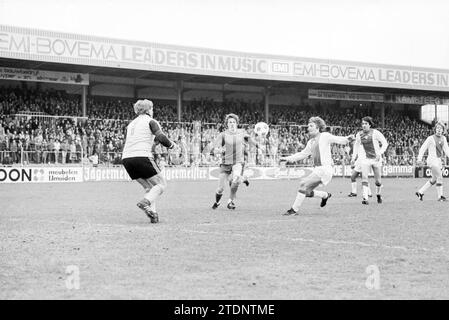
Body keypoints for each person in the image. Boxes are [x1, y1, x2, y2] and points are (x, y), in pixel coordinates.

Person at [280, 116, 354, 215]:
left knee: (303, 185)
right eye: (308, 126)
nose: (308, 128)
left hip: (325, 169)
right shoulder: (310, 142)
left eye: (311, 126)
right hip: (317, 170)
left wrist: (347, 138)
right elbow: (302, 154)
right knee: (306, 192)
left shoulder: (324, 136)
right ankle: (324, 195)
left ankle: (294, 210)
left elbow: (338, 139)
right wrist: (287, 158)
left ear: (317, 127)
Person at [121, 99, 175, 223]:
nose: (153, 110)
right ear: (148, 109)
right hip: (141, 156)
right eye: (152, 108)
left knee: (149, 188)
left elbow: (139, 139)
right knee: (161, 184)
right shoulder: (151, 121)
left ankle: (153, 214)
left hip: (127, 159)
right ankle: (145, 202)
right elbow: (160, 136)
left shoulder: (131, 124)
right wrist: (171, 145)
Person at [210, 113, 257, 210]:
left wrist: (258, 140)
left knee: (235, 180)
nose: (232, 124)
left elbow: (252, 142)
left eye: (233, 122)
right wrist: (219, 150)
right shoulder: (222, 135)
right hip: (225, 163)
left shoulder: (242, 132)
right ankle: (217, 202)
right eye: (230, 122)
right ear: (227, 124)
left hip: (237, 162)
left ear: (237, 123)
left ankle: (230, 201)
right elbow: (214, 149)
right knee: (220, 189)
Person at [351, 116, 388, 205]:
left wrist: (380, 153)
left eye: (366, 124)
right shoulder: (359, 135)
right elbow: (356, 146)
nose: (363, 125)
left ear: (370, 125)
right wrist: (353, 157)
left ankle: (378, 195)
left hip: (376, 159)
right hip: (365, 159)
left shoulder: (376, 133)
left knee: (378, 182)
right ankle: (365, 198)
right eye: (362, 123)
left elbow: (385, 143)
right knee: (364, 177)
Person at [415, 121, 449, 201]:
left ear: (443, 130)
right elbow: (423, 148)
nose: (439, 130)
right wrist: (419, 159)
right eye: (438, 128)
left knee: (434, 179)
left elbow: (447, 150)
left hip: (438, 161)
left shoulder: (444, 138)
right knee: (440, 176)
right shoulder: (430, 138)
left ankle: (420, 192)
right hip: (431, 160)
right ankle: (440, 197)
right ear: (435, 129)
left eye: (441, 128)